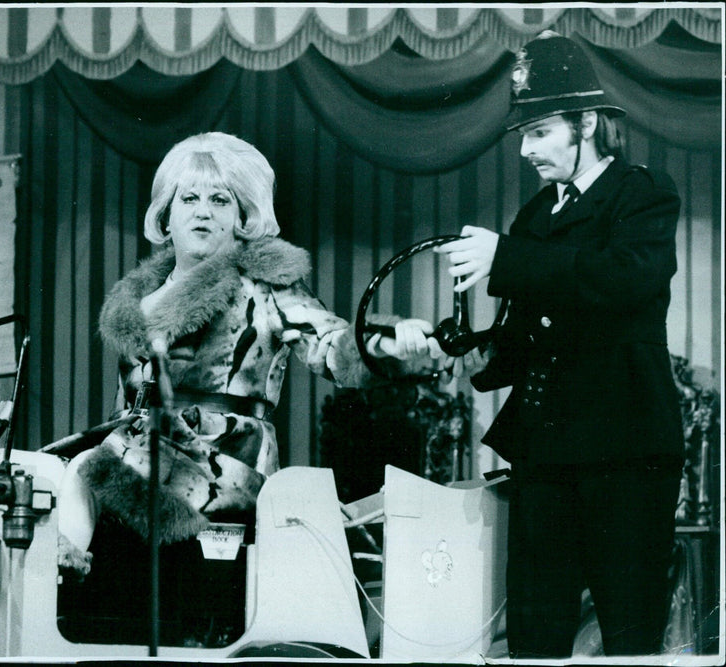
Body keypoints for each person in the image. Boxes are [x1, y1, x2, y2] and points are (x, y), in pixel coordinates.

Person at [57, 131, 437, 578]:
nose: (203, 211)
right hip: (143, 449)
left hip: (226, 457)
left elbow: (330, 344)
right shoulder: (141, 299)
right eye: (189, 198)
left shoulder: (264, 285)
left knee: (87, 466)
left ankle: (66, 568)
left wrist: (385, 343)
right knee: (43, 468)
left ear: (242, 218)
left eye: (220, 200)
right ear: (166, 213)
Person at [436, 31, 684, 658]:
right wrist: (465, 346)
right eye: (523, 135)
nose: (526, 151)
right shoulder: (535, 217)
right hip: (545, 453)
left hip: (626, 453)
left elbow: (622, 278)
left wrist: (507, 257)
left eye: (540, 132)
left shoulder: (642, 193)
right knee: (534, 637)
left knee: (630, 634)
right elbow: (530, 333)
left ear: (589, 124)